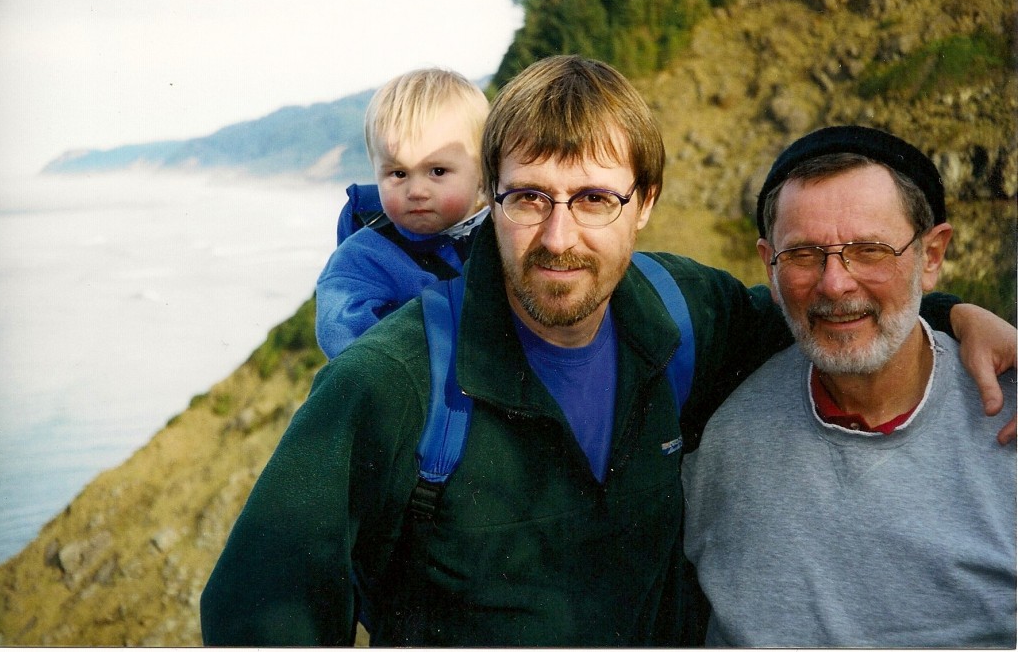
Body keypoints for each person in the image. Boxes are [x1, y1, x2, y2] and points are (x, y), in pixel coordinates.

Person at [200, 57, 1015, 647]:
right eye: (529, 198)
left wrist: (949, 313)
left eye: (595, 198)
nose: (559, 238)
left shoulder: (681, 314)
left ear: (645, 203)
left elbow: (827, 302)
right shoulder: (393, 379)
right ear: (491, 198)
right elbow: (260, 607)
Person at [682, 125, 1017, 648]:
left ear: (931, 256)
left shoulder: (1009, 417)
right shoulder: (720, 441)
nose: (834, 283)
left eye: (869, 250)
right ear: (768, 266)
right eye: (803, 254)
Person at [314, 68, 490, 358]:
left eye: (437, 171)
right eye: (398, 173)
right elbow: (344, 336)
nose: (417, 190)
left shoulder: (507, 230)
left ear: (482, 170)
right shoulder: (362, 257)